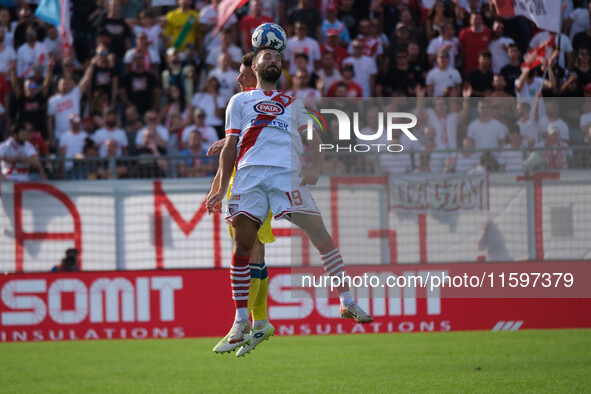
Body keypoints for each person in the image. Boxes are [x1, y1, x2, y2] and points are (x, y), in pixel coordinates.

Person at [206, 47, 372, 353]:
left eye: (278, 59)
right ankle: (241, 318)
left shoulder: (294, 104)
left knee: (321, 236)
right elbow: (230, 145)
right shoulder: (239, 101)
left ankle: (347, 301)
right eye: (267, 57)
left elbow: (314, 139)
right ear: (254, 66)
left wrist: (315, 165)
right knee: (243, 247)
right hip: (250, 176)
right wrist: (219, 187)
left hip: (286, 175)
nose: (273, 61)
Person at [207, 52, 276, 356]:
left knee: (251, 255)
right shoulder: (244, 105)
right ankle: (258, 322)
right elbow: (233, 153)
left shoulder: (258, 102)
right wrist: (217, 187)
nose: (238, 79)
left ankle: (246, 323)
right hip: (241, 185)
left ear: (255, 73)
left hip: (255, 187)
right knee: (254, 256)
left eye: (242, 73)